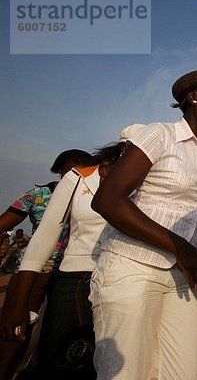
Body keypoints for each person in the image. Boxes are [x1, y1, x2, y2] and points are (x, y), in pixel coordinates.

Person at [90, 70, 197, 379]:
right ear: (192, 97)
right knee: (128, 372)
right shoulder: (160, 134)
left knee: (183, 372)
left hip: (184, 278)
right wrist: (180, 246)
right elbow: (107, 200)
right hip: (133, 268)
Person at [0, 143, 125, 379]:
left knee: (80, 347)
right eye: (63, 173)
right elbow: (31, 231)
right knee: (25, 335)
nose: (67, 177)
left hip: (87, 273)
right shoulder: (45, 193)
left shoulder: (115, 187)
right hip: (51, 271)